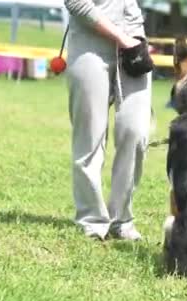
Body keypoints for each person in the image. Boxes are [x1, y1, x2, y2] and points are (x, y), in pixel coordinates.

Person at [64, 0, 152, 240]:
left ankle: (121, 219)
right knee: (89, 138)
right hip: (89, 43)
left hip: (134, 42)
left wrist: (133, 36)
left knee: (136, 131)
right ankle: (92, 220)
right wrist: (120, 37)